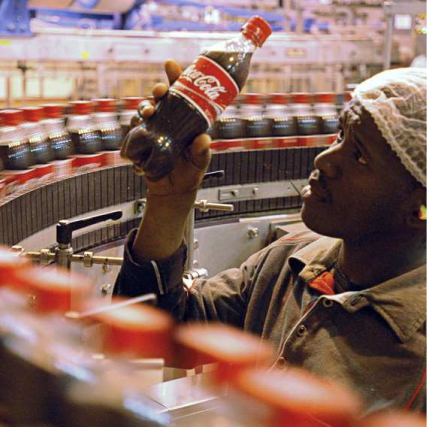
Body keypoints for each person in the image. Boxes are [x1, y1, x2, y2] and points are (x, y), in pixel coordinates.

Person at [115, 64, 427, 414]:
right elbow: (154, 339)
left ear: (419, 210)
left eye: (360, 157)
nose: (324, 160)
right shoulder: (289, 263)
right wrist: (169, 201)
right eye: (340, 136)